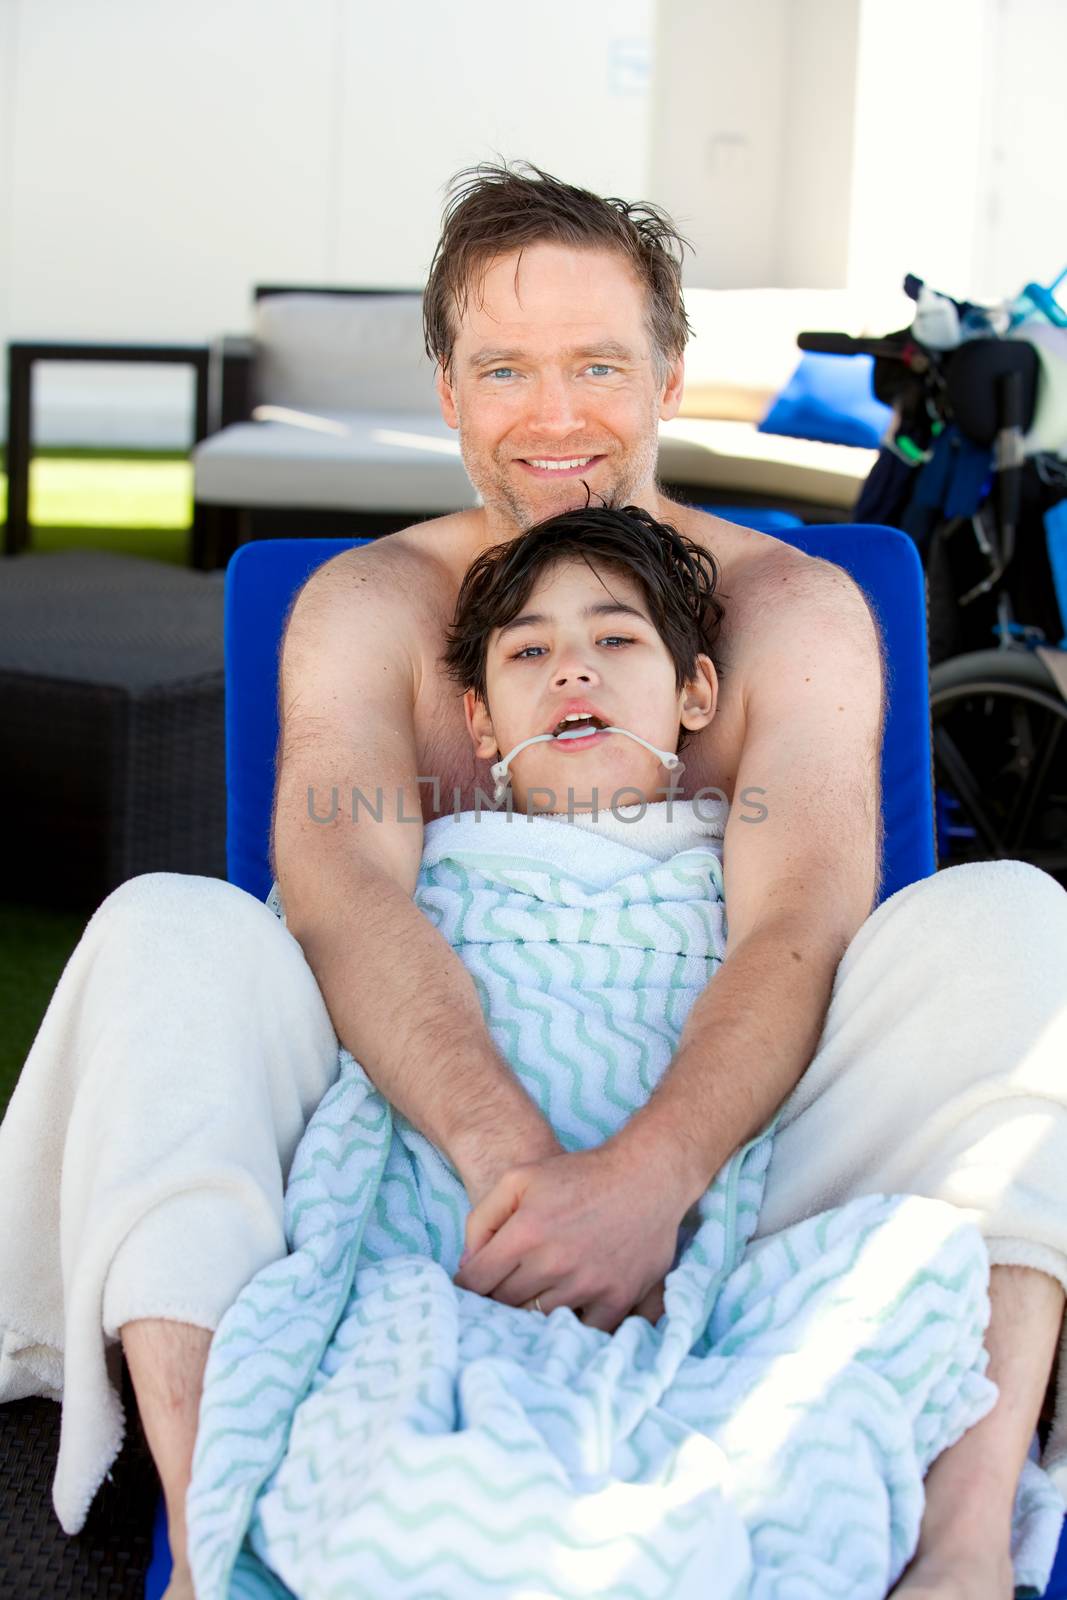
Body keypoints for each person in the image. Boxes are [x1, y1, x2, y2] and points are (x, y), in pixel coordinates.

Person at [0, 161, 1065, 1600]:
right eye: (505, 367)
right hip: (417, 1150)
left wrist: (648, 1178)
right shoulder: (372, 608)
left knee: (1015, 918)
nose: (555, 417)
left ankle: (961, 1547)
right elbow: (337, 888)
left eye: (598, 366)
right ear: (447, 389)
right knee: (163, 932)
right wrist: (512, 1162)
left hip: (745, 1160)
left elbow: (804, 918)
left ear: (671, 373)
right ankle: (210, 1526)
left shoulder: (790, 612)